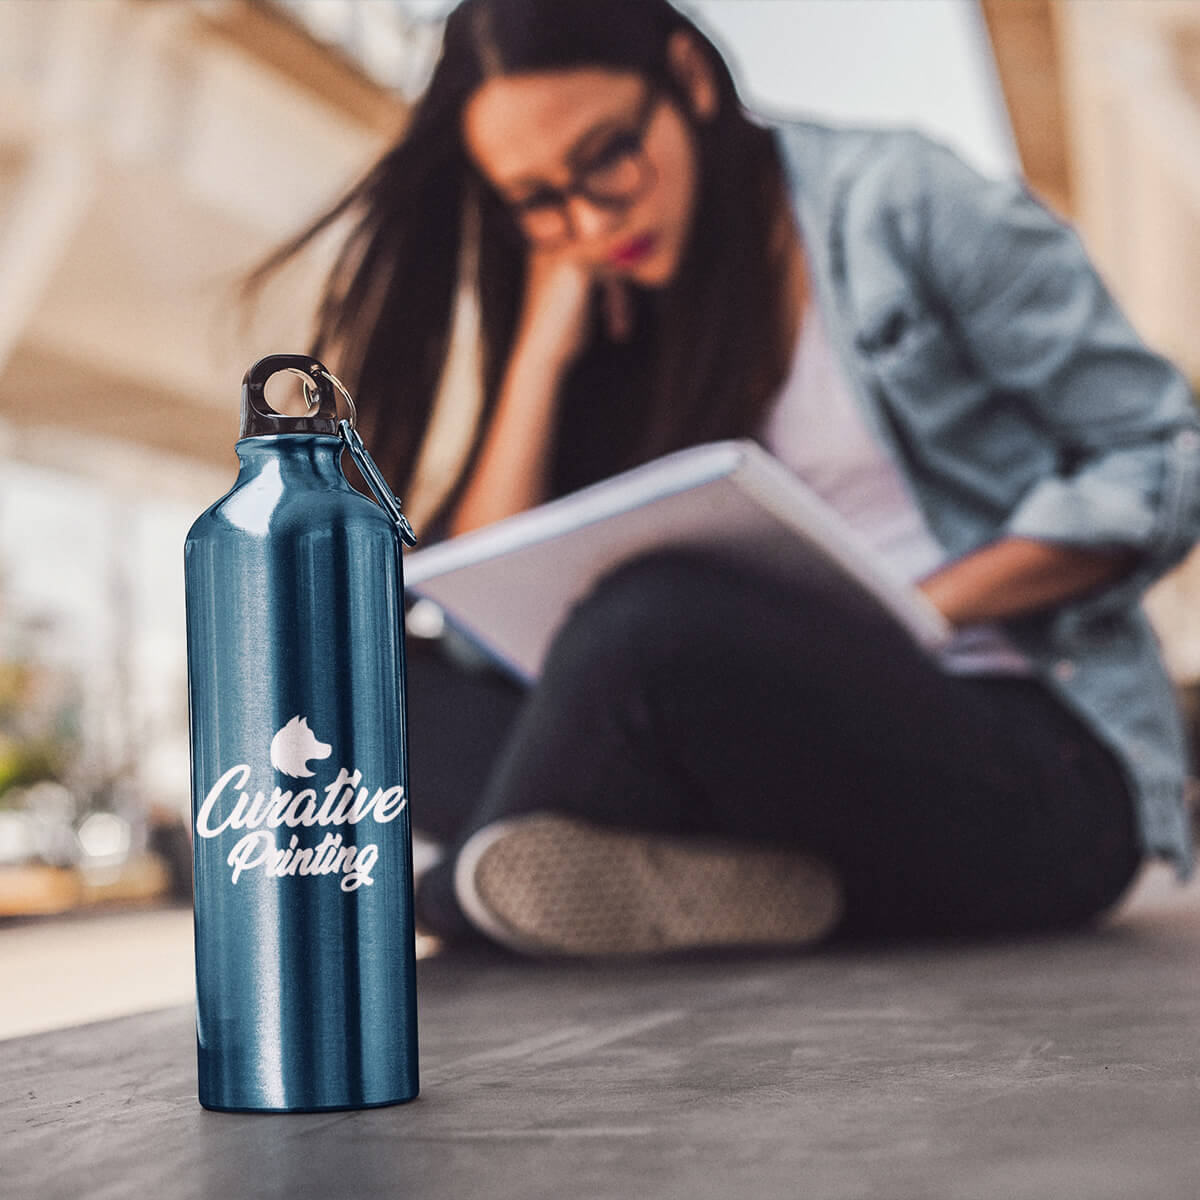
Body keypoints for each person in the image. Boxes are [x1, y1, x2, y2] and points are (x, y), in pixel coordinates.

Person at [244, 0, 1200, 957]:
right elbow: (472, 623)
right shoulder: (612, 299)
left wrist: (919, 608)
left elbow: (1163, 453)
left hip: (1036, 769)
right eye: (537, 199)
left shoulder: (900, 201)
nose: (586, 219)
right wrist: (541, 351)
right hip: (784, 782)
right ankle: (700, 881)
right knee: (355, 673)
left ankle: (452, 901)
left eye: (604, 159)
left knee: (653, 618)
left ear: (691, 81)